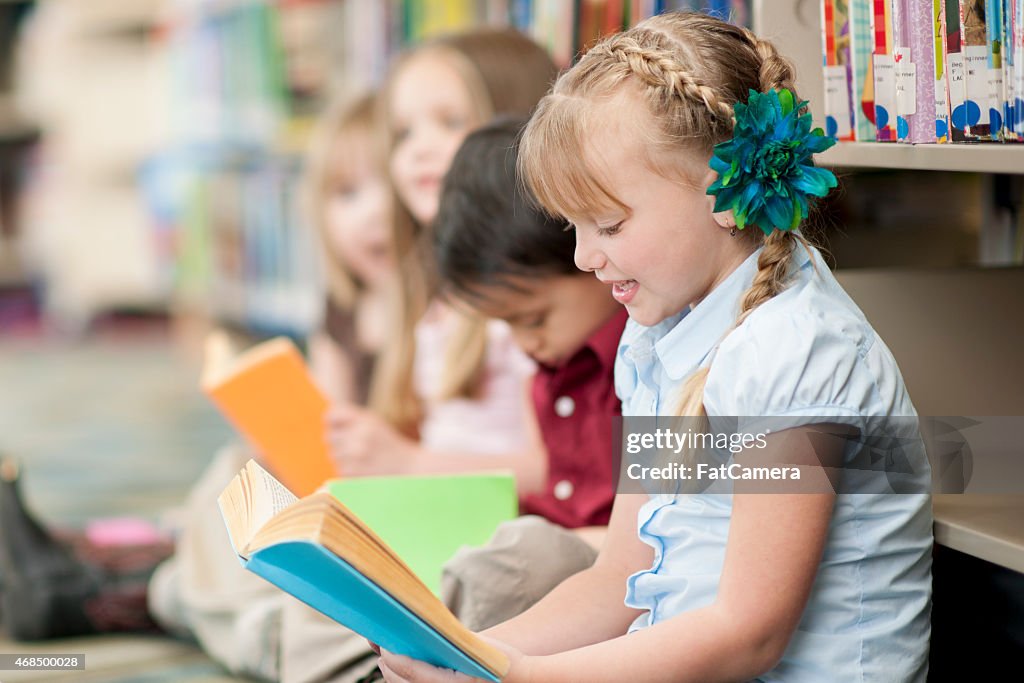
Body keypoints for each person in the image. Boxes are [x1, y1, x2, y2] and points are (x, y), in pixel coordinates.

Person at [376, 11, 933, 683]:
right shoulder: (654, 339)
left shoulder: (799, 353)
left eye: (607, 224)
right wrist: (469, 650)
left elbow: (747, 633)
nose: (584, 256)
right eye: (574, 227)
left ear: (723, 192)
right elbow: (620, 576)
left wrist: (522, 676)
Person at [279, 29, 561, 683]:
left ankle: (293, 641)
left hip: (489, 533)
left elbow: (557, 471)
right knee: (236, 500)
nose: (417, 151)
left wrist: (407, 462)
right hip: (437, 522)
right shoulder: (438, 302)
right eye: (403, 133)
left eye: (449, 121)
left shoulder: (526, 303)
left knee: (500, 565)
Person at [431, 117, 626, 633]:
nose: (525, 344)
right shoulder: (551, 370)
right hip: (552, 576)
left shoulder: (645, 361)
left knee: (514, 559)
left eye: (534, 319)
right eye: (507, 326)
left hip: (598, 578)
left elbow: (653, 541)